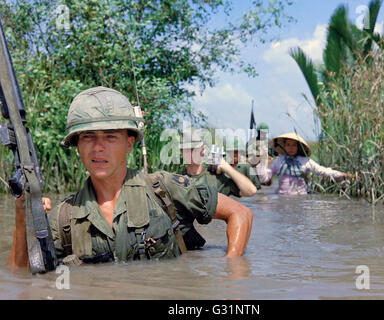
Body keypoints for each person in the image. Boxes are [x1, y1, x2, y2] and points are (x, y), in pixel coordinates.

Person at [8, 86, 253, 270]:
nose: (98, 147)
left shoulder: (163, 189)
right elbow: (20, 276)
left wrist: (233, 274)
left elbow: (241, 213)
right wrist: (22, 218)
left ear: (129, 143)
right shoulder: (63, 218)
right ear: (77, 146)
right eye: (88, 137)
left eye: (110, 137)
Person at [256, 132, 354, 195]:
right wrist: (261, 162)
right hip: (281, 197)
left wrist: (343, 175)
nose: (291, 148)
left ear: (298, 147)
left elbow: (323, 171)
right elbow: (265, 178)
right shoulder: (278, 161)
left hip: (300, 197)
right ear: (284, 146)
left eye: (294, 145)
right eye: (288, 145)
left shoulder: (305, 161)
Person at [180, 129, 257, 198]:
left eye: (194, 149)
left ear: (203, 149)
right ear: (181, 151)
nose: (191, 153)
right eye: (187, 149)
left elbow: (251, 191)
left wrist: (227, 168)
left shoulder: (217, 179)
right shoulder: (176, 179)